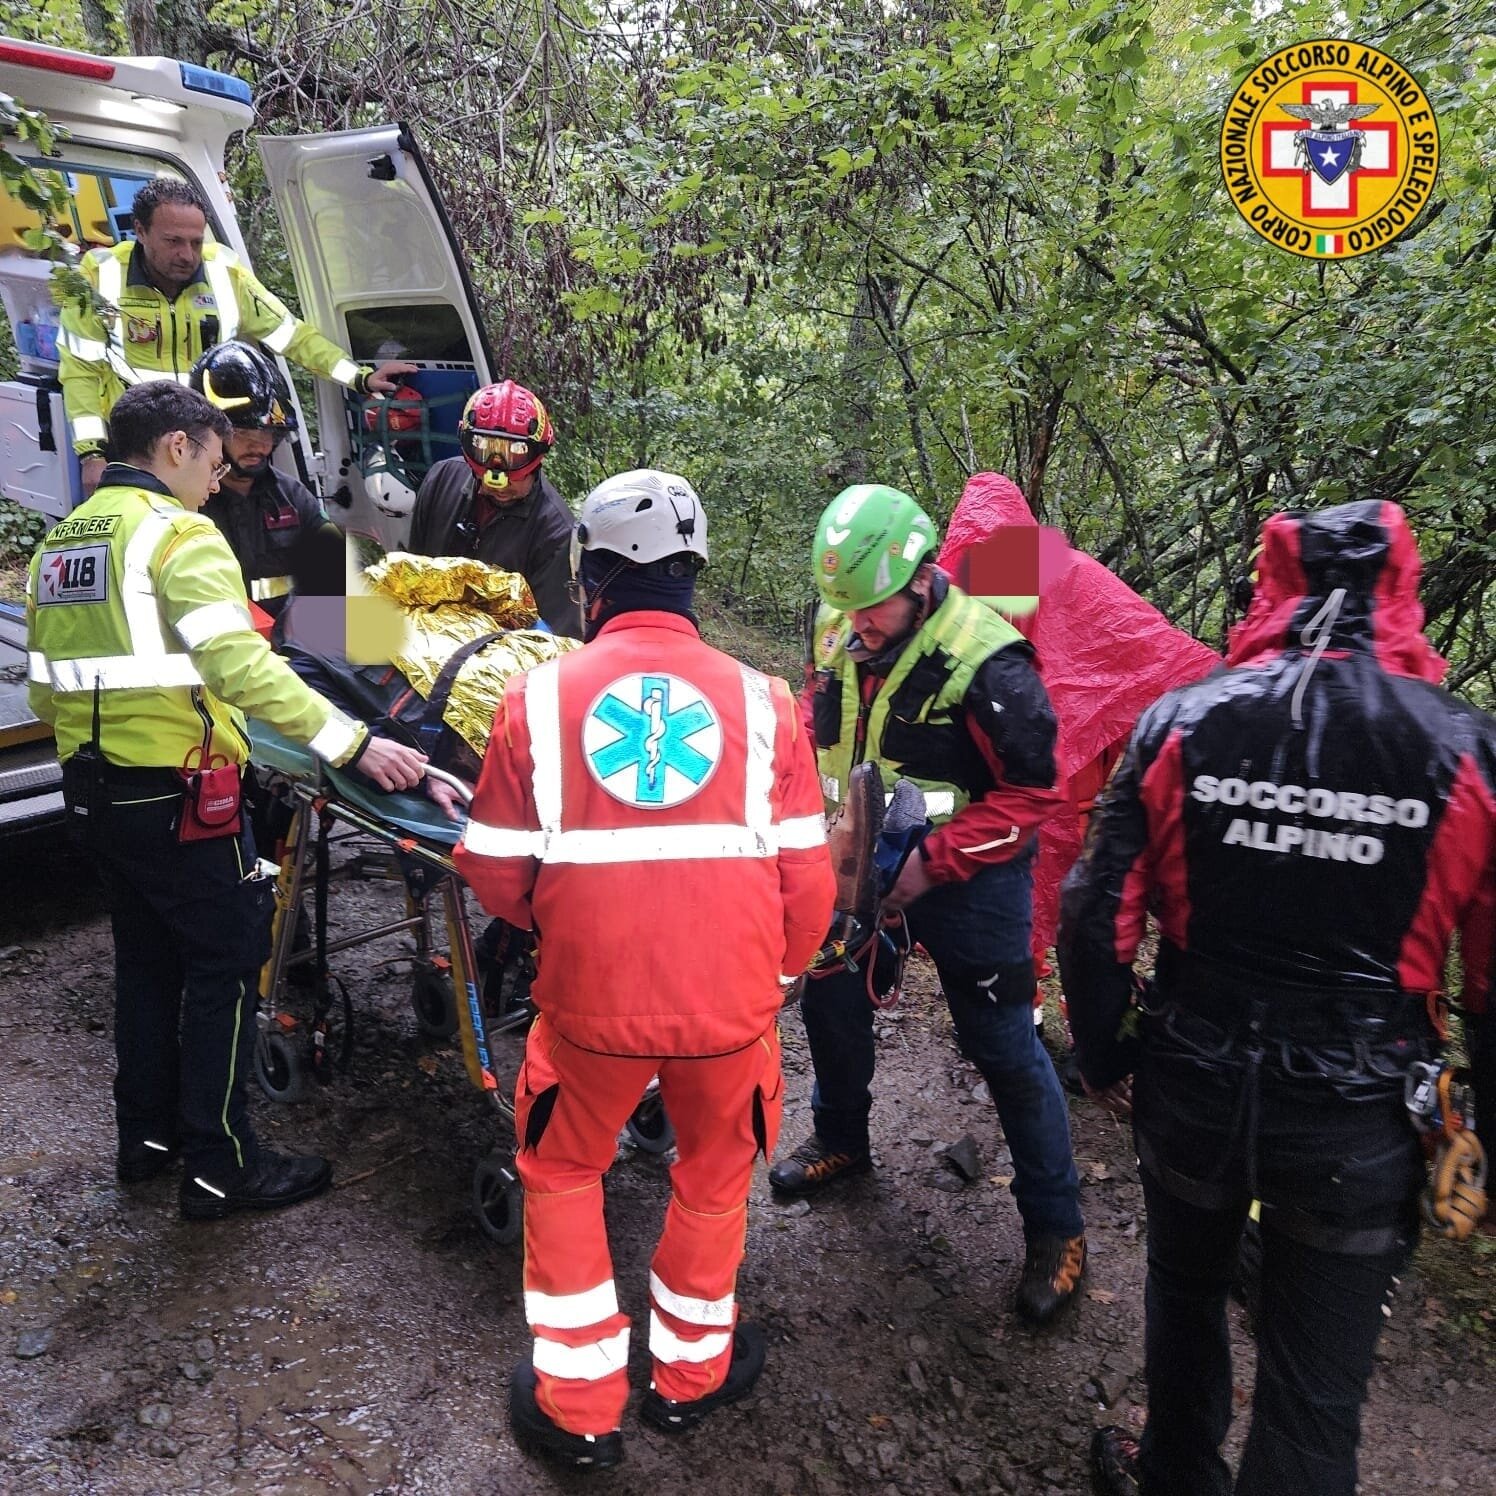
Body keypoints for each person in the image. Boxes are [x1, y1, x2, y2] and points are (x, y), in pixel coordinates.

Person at [1061, 500, 1496, 1496]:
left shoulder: (1182, 722)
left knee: (1182, 1289)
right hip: (1360, 1118)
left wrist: (1106, 1053)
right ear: (1400, 593)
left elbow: (1092, 915)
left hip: (1191, 1083)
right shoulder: (1463, 750)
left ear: (1272, 588)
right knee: (1312, 1391)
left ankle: (1172, 1469)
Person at [453, 469, 834, 1471]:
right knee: (711, 1180)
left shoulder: (536, 698)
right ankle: (685, 1378)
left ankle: (578, 1408)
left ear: (591, 582)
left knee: (566, 1171)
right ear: (692, 580)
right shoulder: (768, 704)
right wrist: (770, 979)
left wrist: (562, 922)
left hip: (589, 1010)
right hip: (729, 1012)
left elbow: (490, 866)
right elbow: (809, 883)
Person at [25, 382, 426, 1221]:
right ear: (176, 446)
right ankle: (222, 1164)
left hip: (94, 790)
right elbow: (240, 670)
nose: (215, 476)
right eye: (210, 456)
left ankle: (149, 1140)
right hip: (178, 794)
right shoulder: (180, 536)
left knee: (146, 965)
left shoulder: (61, 545)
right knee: (226, 967)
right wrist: (352, 742)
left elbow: (43, 693)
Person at [770, 483, 1087, 1326]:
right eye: (842, 606)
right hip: (857, 868)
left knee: (1004, 1050)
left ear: (918, 580)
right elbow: (818, 711)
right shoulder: (842, 623)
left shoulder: (989, 663)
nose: (854, 625)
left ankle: (1057, 1227)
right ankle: (842, 1139)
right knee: (831, 1005)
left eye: (869, 606)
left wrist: (934, 864)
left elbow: (1033, 796)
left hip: (970, 881)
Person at [935, 472, 1219, 1048]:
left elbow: (1147, 655)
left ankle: (1044, 1018)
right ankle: (1042, 1019)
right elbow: (1153, 657)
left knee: (1047, 898)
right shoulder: (1055, 575)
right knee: (1054, 900)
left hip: (1050, 776)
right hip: (1034, 776)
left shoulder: (973, 585)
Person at [57, 177, 414, 494]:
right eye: (173, 241)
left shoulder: (225, 276)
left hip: (207, 443)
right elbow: (81, 373)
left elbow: (293, 337)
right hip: (137, 444)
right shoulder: (99, 280)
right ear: (140, 229)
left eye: (196, 242)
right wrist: (91, 453)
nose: (187, 255)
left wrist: (358, 377)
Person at [406, 380, 581, 637]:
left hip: (498, 665)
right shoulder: (441, 481)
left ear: (538, 456)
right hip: (424, 642)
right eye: (485, 449)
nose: (498, 477)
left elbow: (557, 640)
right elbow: (413, 576)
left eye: (514, 453)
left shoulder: (555, 533)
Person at [188, 341, 335, 617]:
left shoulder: (291, 496)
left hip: (293, 641)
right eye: (245, 435)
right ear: (210, 433)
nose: (260, 447)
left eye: (268, 436)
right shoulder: (186, 504)